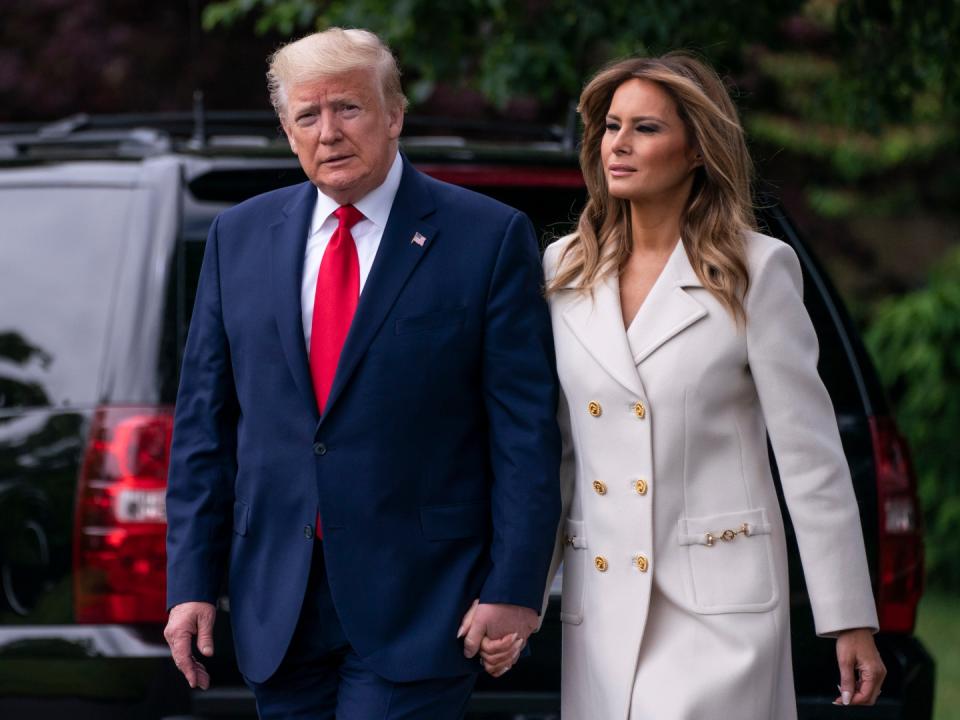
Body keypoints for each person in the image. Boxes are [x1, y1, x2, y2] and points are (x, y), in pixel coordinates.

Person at [162, 28, 561, 719]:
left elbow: (524, 433)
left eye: (348, 109)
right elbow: (205, 426)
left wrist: (517, 587)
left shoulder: (486, 237)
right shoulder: (239, 237)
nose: (329, 133)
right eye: (307, 116)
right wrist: (190, 582)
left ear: (395, 116)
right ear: (288, 132)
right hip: (277, 606)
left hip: (423, 601)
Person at [530, 52, 886, 718]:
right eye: (611, 127)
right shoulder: (563, 269)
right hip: (601, 606)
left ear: (697, 149)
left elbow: (810, 458)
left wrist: (848, 617)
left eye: (646, 129)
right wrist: (520, 592)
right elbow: (557, 448)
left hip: (720, 609)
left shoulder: (757, 269)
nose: (620, 145)